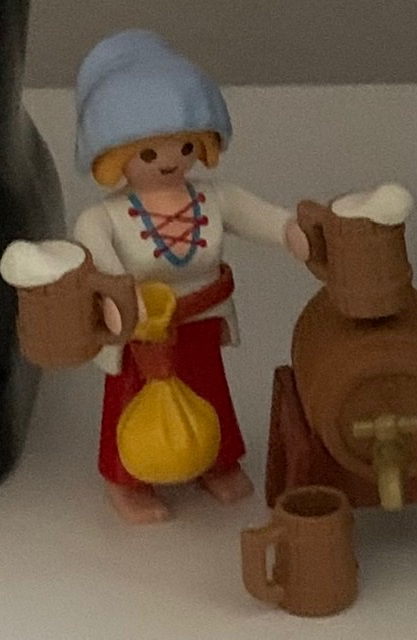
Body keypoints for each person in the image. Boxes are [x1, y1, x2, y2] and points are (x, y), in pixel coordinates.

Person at [73, 30, 309, 524]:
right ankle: (126, 479)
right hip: (143, 327)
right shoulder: (103, 218)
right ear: (115, 157)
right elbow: (100, 261)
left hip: (201, 317)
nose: (169, 161)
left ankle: (216, 460)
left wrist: (289, 230)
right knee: (130, 398)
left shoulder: (212, 198)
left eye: (183, 146)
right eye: (148, 153)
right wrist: (120, 299)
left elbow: (257, 215)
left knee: (208, 388)